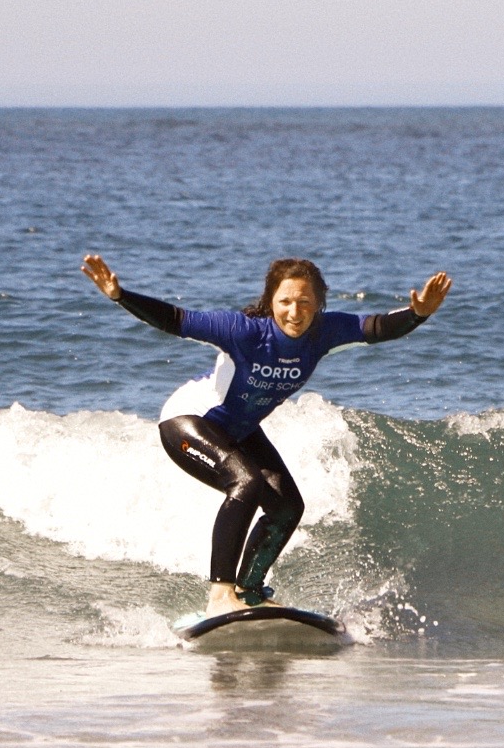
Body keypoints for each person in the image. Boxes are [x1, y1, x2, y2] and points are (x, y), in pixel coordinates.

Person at [81, 254, 451, 617]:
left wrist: (418, 314)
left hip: (238, 431)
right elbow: (176, 319)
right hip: (189, 419)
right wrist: (120, 295)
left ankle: (250, 590)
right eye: (285, 301)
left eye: (305, 302)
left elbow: (379, 327)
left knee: (287, 506)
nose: (294, 311)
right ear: (270, 301)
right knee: (246, 482)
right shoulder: (243, 332)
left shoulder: (325, 333)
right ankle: (220, 594)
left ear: (318, 304)